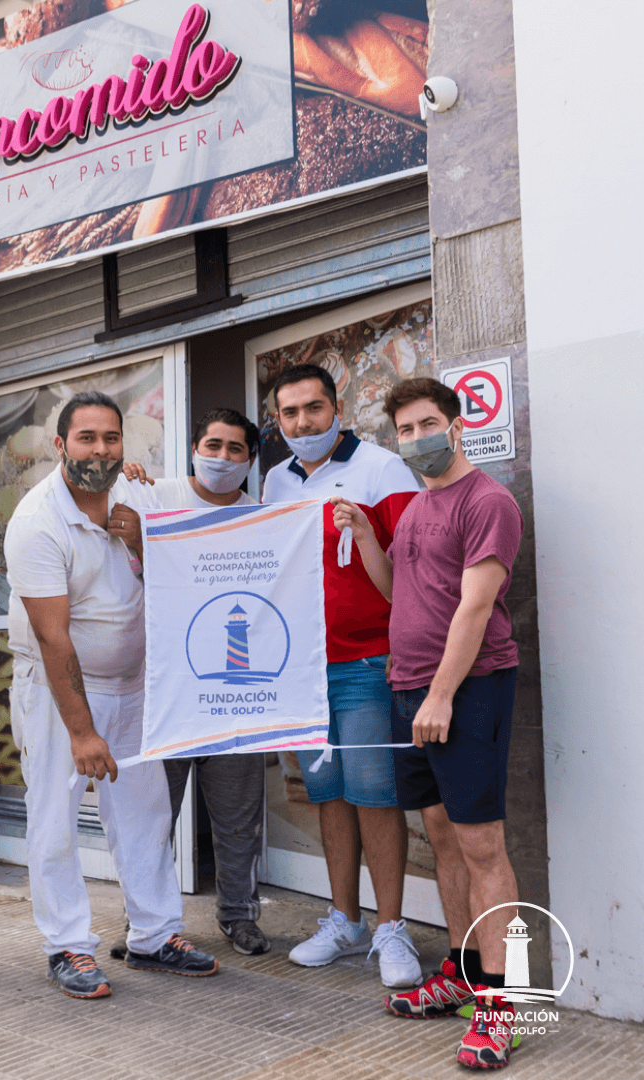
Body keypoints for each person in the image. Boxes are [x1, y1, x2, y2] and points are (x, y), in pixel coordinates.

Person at [332, 376, 524, 1070]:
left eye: (426, 425)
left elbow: (475, 606)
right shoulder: (417, 508)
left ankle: (503, 1004)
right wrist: (365, 535)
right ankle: (464, 973)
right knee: (440, 834)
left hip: (466, 690)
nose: (417, 439)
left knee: (482, 845)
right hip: (409, 688)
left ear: (457, 426)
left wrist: (441, 694)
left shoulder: (488, 501)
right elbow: (400, 591)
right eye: (405, 431)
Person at [4, 390, 218, 999]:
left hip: (135, 684)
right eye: (86, 438)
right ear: (60, 445)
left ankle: (154, 936)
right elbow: (53, 638)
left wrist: (144, 542)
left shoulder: (139, 495)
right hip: (58, 692)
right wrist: (82, 732)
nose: (100, 450)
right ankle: (67, 945)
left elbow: (185, 571)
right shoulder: (36, 522)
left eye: (111, 438)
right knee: (55, 818)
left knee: (146, 815)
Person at [262, 364, 423, 988]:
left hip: (367, 661)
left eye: (314, 408)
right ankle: (344, 921)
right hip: (301, 669)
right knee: (327, 793)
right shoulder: (275, 481)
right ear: (278, 421)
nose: (303, 422)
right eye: (290, 413)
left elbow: (412, 572)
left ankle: (392, 928)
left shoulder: (383, 469)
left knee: (375, 794)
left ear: (337, 408)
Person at [119, 407, 270, 957]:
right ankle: (147, 923)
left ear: (250, 460)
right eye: (213, 445)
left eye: (235, 449)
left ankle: (239, 915)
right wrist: (122, 478)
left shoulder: (264, 518)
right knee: (154, 814)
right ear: (193, 449)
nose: (222, 458)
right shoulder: (153, 497)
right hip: (166, 688)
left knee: (238, 816)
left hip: (235, 692)